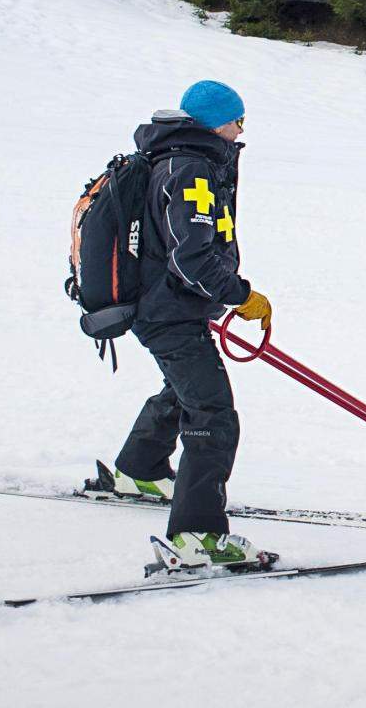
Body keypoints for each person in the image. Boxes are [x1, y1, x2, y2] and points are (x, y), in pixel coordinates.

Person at [106, 80, 275, 569]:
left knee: (183, 391)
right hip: (169, 311)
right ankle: (197, 535)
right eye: (238, 121)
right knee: (213, 414)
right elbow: (192, 258)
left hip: (166, 306)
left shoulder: (177, 159)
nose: (242, 131)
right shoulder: (191, 169)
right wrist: (241, 295)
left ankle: (140, 469)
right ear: (217, 123)